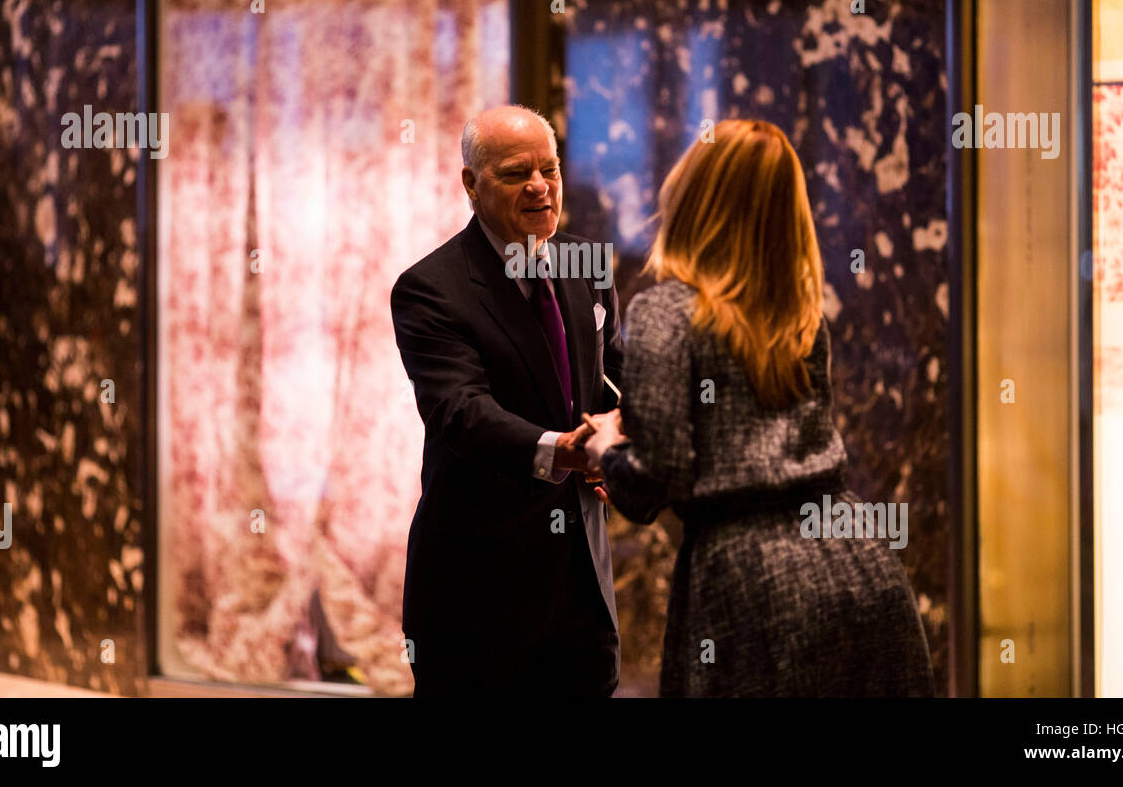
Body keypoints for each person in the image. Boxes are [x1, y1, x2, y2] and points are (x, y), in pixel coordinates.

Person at [581, 119, 935, 697]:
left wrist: (608, 445)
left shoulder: (666, 311)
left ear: (693, 196)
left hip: (749, 582)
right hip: (860, 564)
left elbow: (654, 479)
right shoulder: (799, 310)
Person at [390, 105, 623, 697]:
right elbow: (460, 411)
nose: (540, 186)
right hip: (478, 592)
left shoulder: (588, 265)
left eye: (550, 168)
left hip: (582, 587)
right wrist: (563, 452)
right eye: (518, 173)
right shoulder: (429, 289)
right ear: (471, 184)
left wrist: (622, 434)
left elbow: (614, 378)